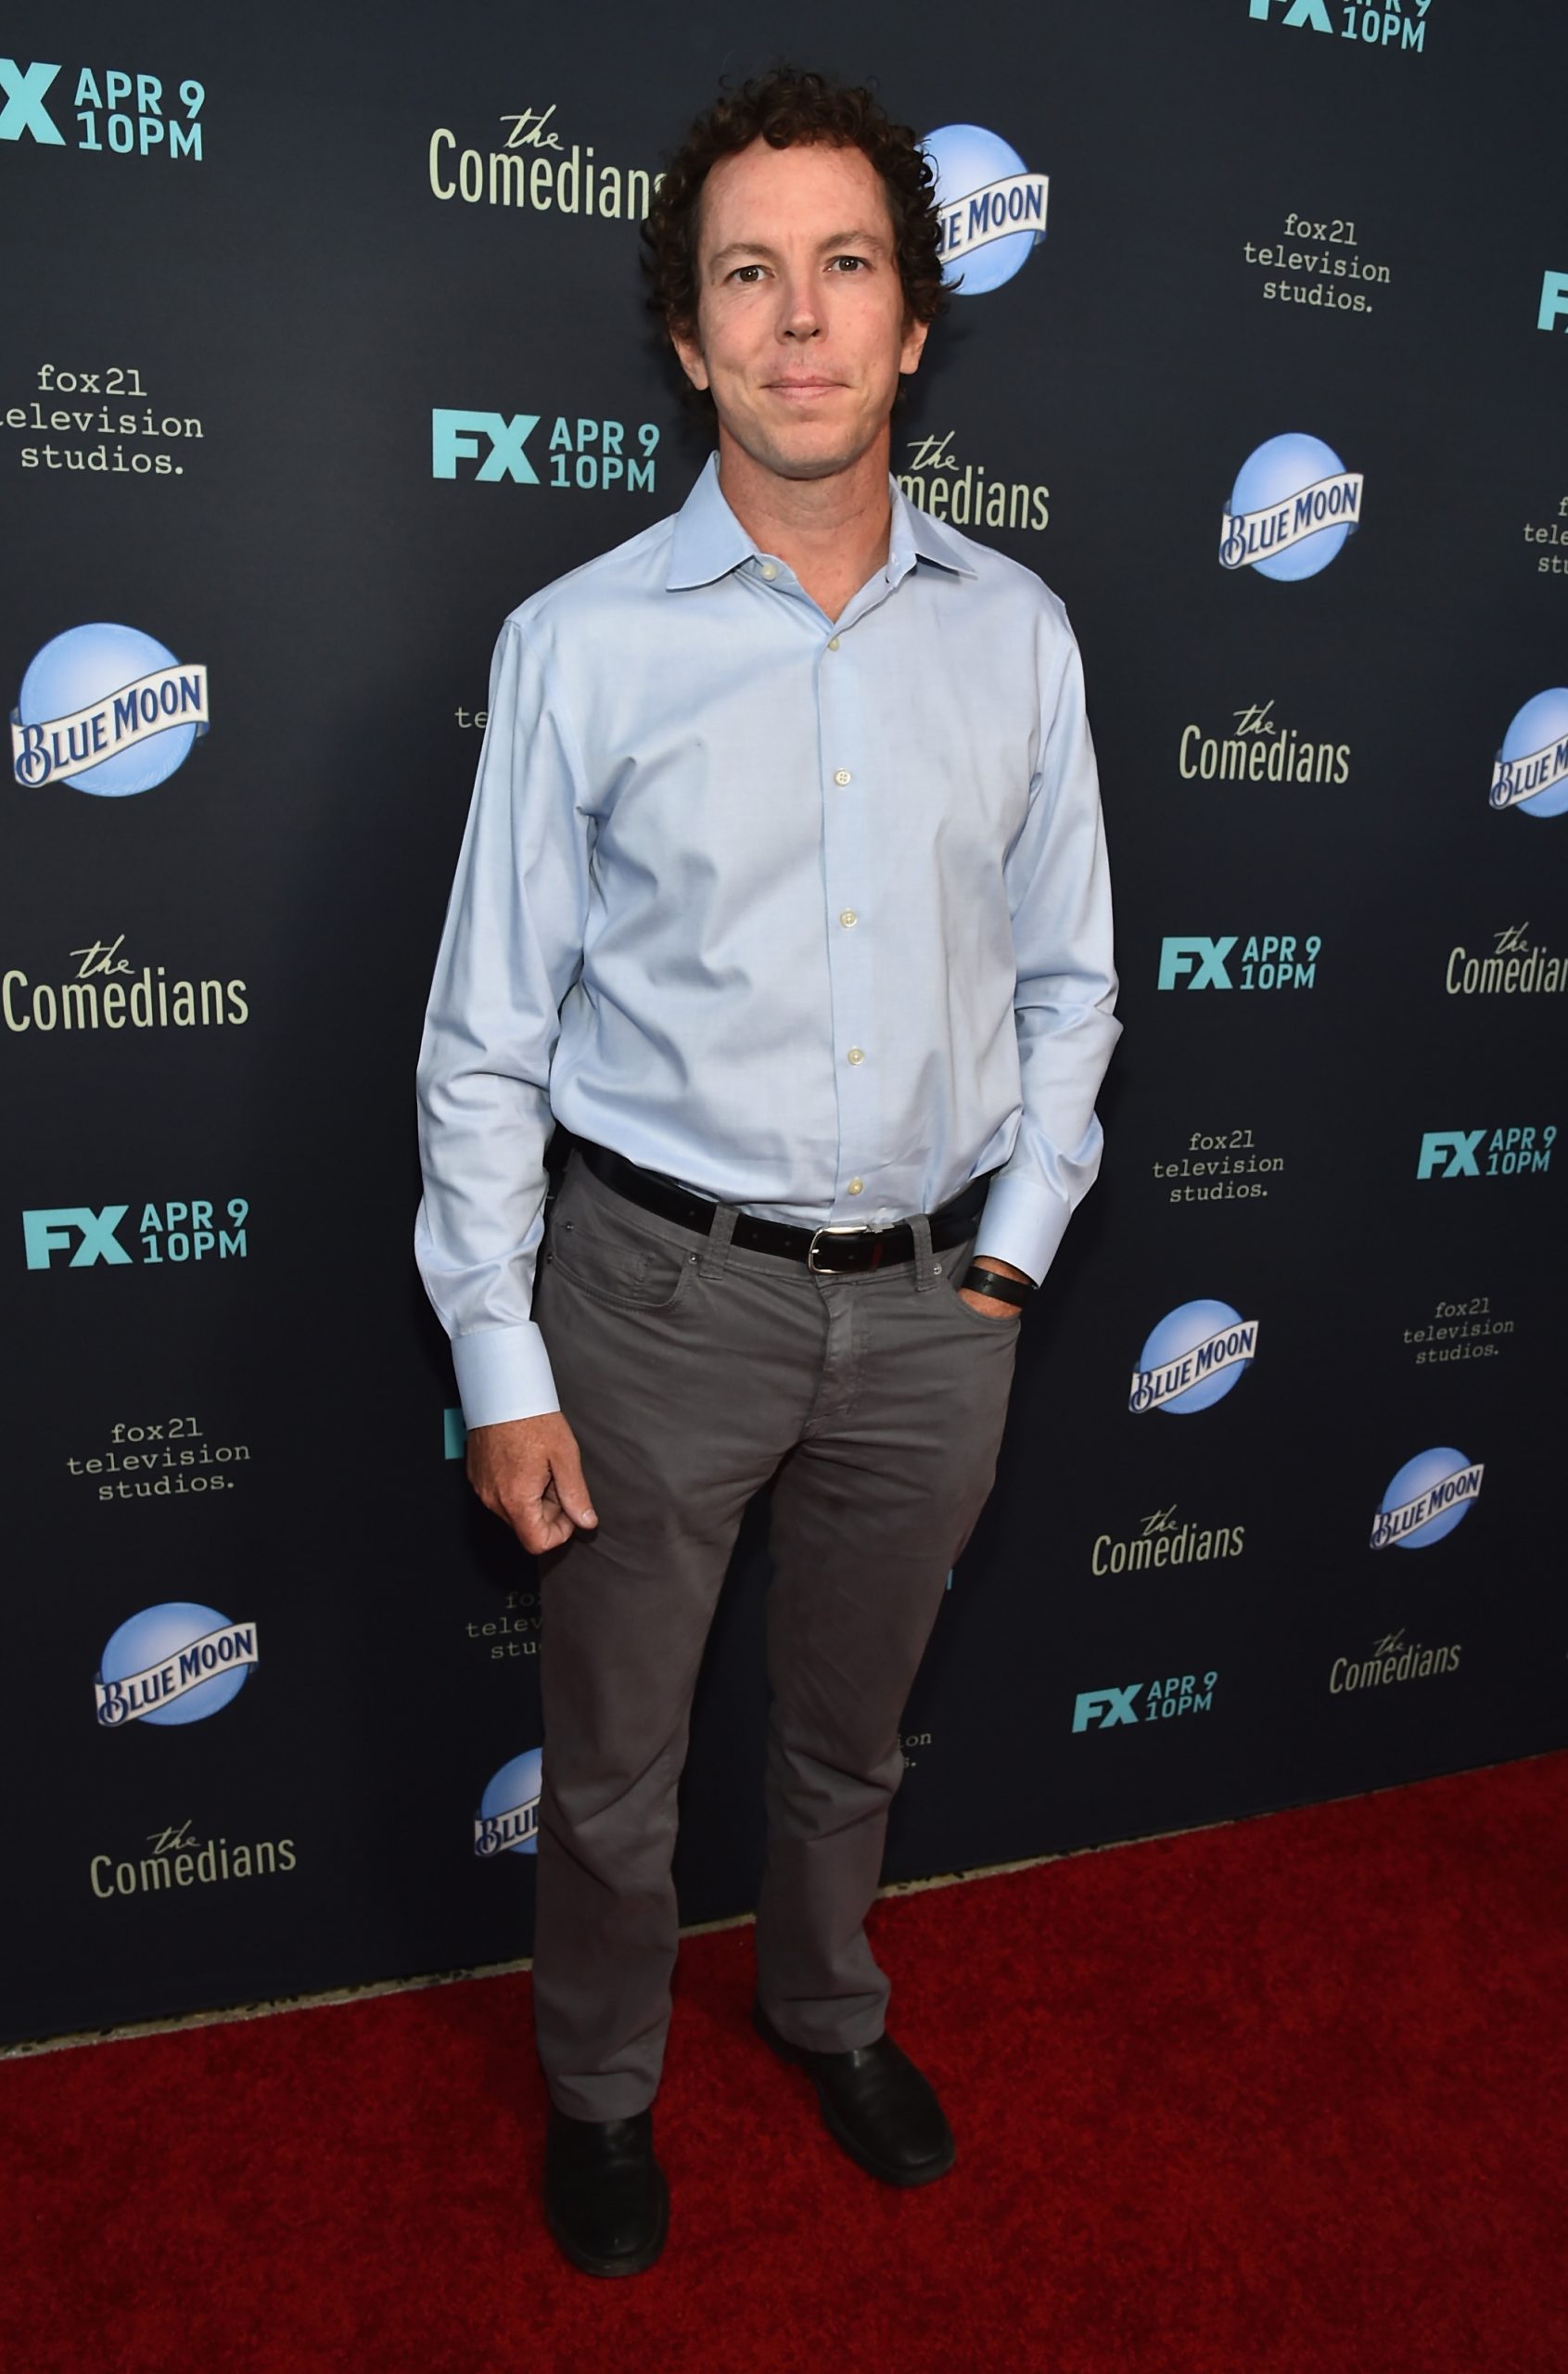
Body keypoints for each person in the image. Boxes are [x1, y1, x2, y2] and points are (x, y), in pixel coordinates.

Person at [414, 67, 1120, 2278]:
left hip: (934, 1313)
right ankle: (600, 2087)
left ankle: (827, 2007)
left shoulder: (1017, 634)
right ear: (689, 332)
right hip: (652, 1304)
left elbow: (1074, 981)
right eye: (748, 273)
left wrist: (1005, 1265)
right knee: (615, 1764)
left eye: (844, 266)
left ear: (911, 324)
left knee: (851, 1735)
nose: (798, 318)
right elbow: (486, 1034)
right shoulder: (580, 643)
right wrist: (502, 1355)